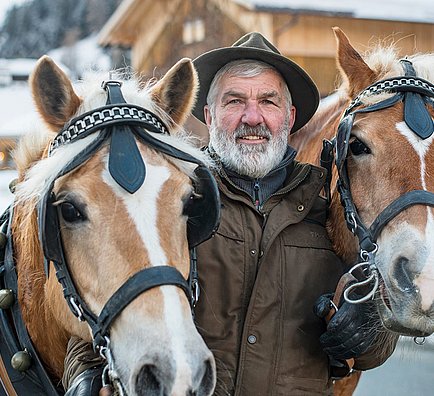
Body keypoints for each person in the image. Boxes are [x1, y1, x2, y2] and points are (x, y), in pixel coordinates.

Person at [63, 32, 397, 396]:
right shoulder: (172, 208)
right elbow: (92, 312)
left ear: (290, 116)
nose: (252, 117)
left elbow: (378, 322)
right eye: (234, 100)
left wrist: (372, 331)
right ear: (209, 115)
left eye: (268, 101)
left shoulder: (332, 212)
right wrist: (85, 378)